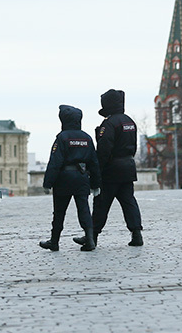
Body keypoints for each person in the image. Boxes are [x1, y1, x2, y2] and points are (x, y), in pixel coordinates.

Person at [75, 89, 143, 247]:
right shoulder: (129, 121)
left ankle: (92, 237)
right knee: (129, 202)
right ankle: (137, 234)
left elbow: (104, 150)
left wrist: (96, 170)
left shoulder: (109, 124)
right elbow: (133, 147)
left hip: (111, 170)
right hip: (128, 167)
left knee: (101, 203)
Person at [40, 105, 101, 252]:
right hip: (82, 178)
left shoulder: (62, 137)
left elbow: (55, 162)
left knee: (59, 211)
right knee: (84, 209)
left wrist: (48, 183)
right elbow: (94, 162)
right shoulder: (86, 138)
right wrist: (95, 184)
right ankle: (90, 240)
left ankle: (54, 241)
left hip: (64, 179)